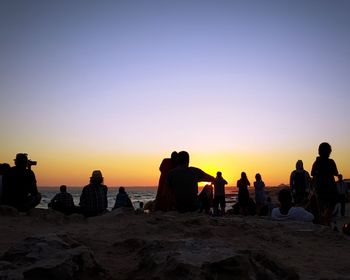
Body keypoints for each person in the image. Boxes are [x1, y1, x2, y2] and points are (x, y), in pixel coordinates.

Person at [311, 142, 339, 226]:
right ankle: (326, 221)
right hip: (328, 187)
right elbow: (336, 173)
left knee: (323, 207)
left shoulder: (317, 162)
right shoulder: (330, 162)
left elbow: (312, 173)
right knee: (329, 205)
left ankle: (325, 221)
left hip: (321, 187)